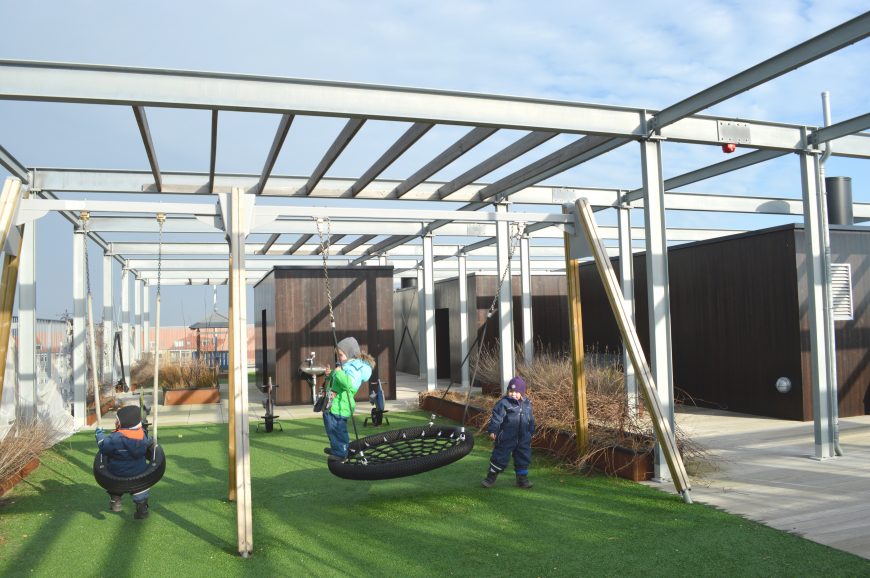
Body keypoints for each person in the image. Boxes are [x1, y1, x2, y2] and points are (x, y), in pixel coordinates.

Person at [323, 336, 377, 461]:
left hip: (341, 405)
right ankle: (337, 448)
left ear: (350, 354)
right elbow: (337, 381)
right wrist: (331, 374)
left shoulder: (354, 368)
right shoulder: (346, 367)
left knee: (338, 429)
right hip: (334, 403)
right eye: (337, 355)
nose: (338, 358)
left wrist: (338, 372)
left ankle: (341, 453)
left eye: (341, 355)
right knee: (331, 428)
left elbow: (348, 384)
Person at [95, 405, 152, 519]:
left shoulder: (115, 438)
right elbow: (148, 445)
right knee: (140, 489)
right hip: (139, 472)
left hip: (117, 472)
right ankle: (142, 507)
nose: (115, 422)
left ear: (124, 422)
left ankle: (116, 500)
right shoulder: (141, 435)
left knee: (113, 484)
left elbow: (103, 447)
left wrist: (99, 434)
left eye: (117, 420)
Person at [482, 376, 535, 489]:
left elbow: (530, 419)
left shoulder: (527, 404)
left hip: (523, 437)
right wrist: (493, 430)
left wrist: (531, 431)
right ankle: (491, 477)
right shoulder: (504, 403)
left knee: (523, 457)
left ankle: (522, 479)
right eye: (511, 391)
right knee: (500, 456)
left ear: (522, 392)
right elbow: (497, 418)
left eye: (516, 392)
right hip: (506, 437)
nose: (513, 394)